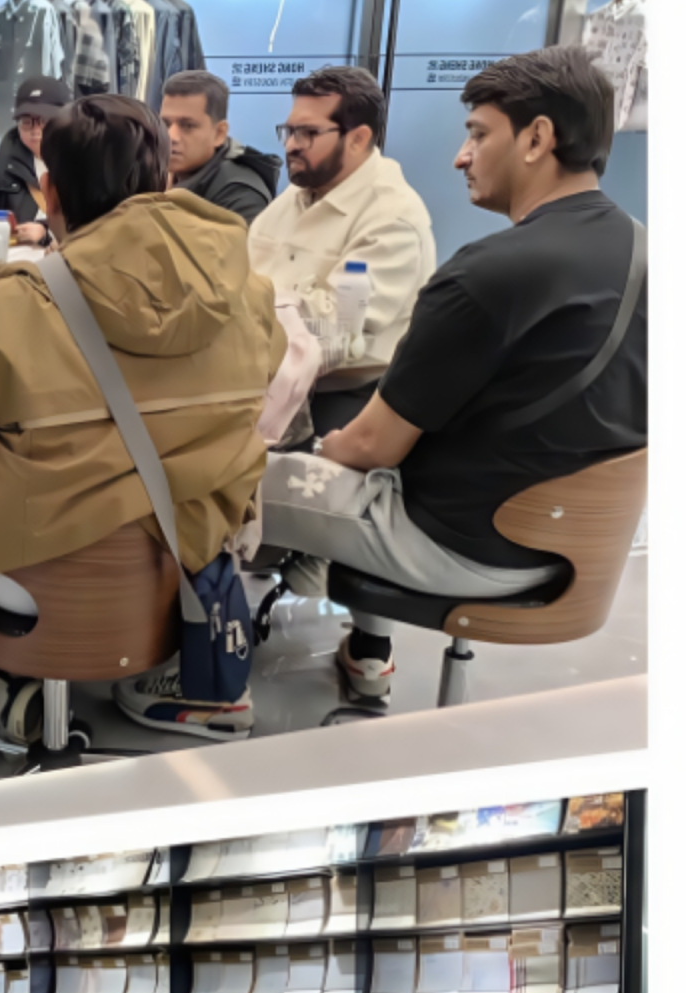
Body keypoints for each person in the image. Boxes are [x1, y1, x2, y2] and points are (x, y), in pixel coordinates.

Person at [0, 94, 285, 741]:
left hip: (36, 576)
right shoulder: (251, 297)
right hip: (177, 562)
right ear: (162, 184)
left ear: (50, 193)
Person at [257, 46, 646, 706]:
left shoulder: (486, 274)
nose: (460, 157)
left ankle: (192, 677)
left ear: (537, 139)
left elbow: (370, 447)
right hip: (580, 546)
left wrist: (304, 452)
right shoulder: (645, 250)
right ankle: (361, 645)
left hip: (462, 544)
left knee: (216, 479)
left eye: (477, 135)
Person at [248, 66, 436, 435]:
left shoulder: (392, 219)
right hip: (265, 379)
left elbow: (335, 334)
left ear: (358, 138)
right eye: (289, 131)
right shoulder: (293, 198)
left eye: (308, 133)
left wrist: (260, 312)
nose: (291, 145)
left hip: (344, 399)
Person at [0, 76, 72, 248]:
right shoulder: (9, 157)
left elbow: (94, 222)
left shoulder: (81, 159)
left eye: (44, 121)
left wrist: (45, 231)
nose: (35, 130)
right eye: (27, 122)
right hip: (18, 256)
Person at [160, 70, 282, 223]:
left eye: (188, 126)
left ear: (219, 133)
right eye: (165, 124)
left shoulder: (241, 195)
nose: (171, 136)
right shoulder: (162, 175)